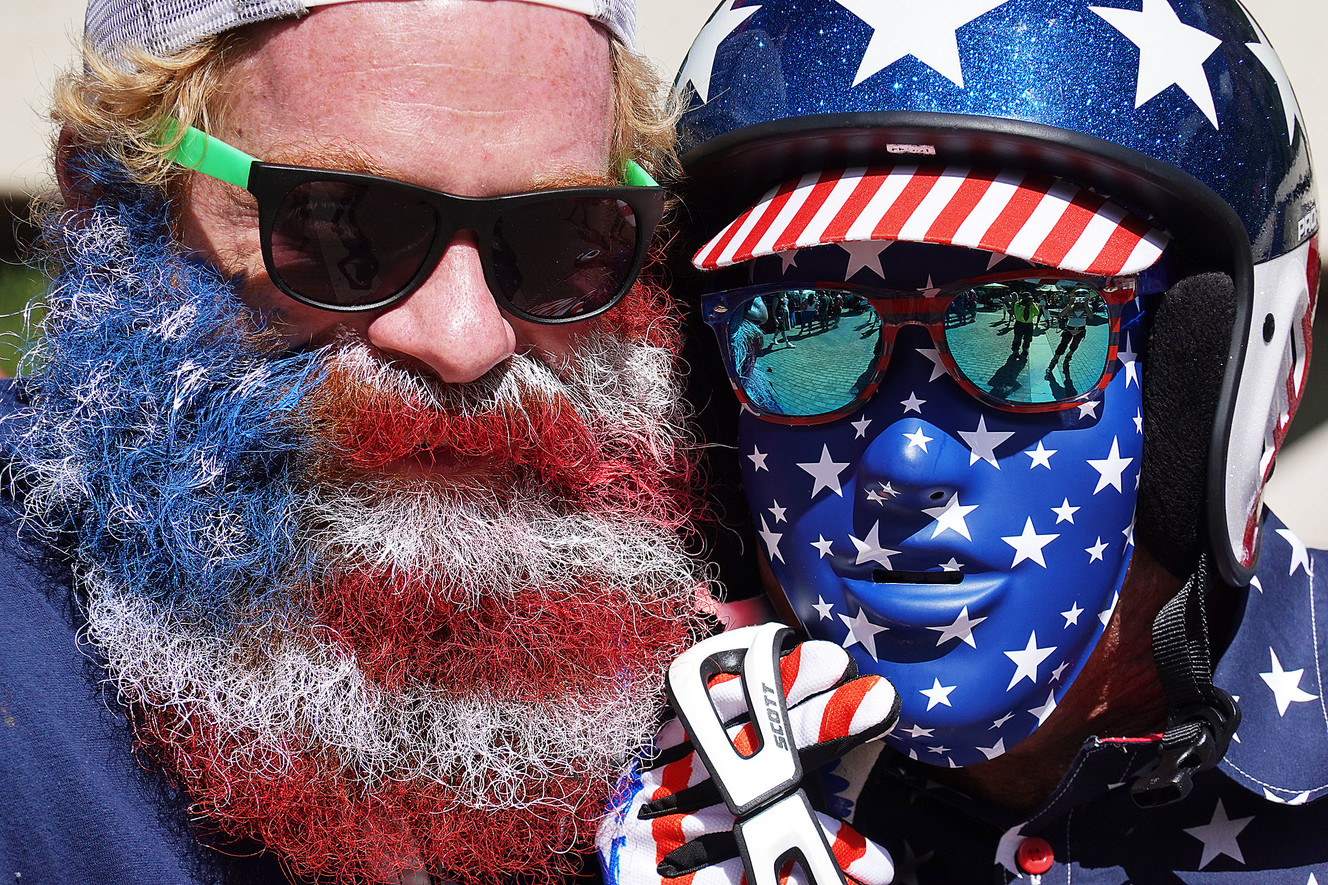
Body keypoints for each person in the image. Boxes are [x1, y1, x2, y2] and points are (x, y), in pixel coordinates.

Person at [601, 0, 1328, 882]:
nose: (908, 461)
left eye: (1035, 321)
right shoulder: (623, 790)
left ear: (1215, 375)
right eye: (795, 328)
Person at [0, 2, 717, 883]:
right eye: (341, 226)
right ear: (105, 196)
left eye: (561, 234)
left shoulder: (707, 683)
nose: (464, 340)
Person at [1009, 289, 1042, 358]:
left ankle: (1025, 348)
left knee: (1028, 338)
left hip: (1029, 324)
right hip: (1019, 324)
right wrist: (1023, 305)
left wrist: (1032, 304)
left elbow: (1037, 313)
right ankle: (1015, 350)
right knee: (1017, 338)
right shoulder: (1017, 304)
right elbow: (1017, 314)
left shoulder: (1031, 305)